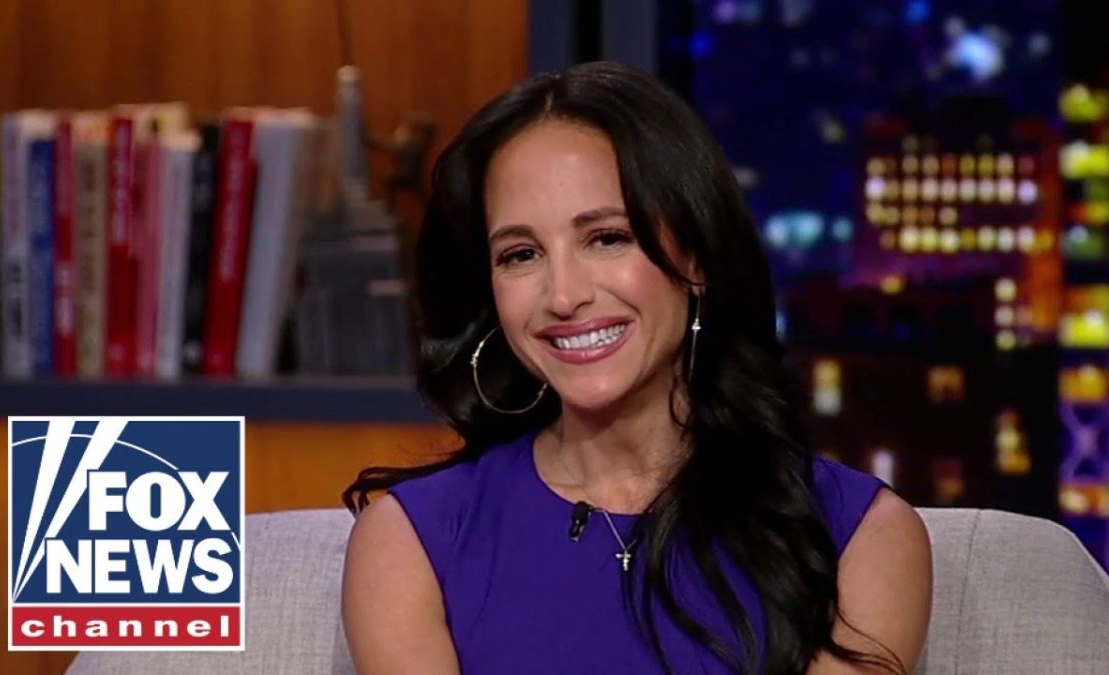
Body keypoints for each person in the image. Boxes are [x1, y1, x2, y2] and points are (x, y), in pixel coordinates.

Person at [341, 60, 932, 675]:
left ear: (696, 257)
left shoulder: (860, 537)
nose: (563, 295)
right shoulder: (411, 542)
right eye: (520, 254)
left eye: (607, 238)